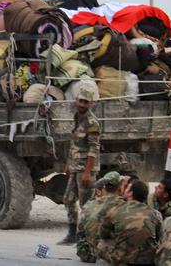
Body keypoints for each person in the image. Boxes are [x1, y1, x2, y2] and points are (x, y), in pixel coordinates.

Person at [58, 80, 101, 245]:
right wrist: (69, 163)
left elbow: (94, 149)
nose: (82, 104)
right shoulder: (77, 117)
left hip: (86, 170)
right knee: (68, 199)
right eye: (80, 100)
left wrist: (88, 172)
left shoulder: (92, 123)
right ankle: (72, 233)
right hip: (76, 167)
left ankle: (86, 237)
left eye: (86, 102)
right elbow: (74, 143)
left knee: (86, 205)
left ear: (91, 103)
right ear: (76, 100)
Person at [97, 179, 163, 265]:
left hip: (123, 260)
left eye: (127, 188)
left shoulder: (116, 210)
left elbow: (103, 234)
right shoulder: (155, 214)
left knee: (102, 243)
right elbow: (159, 236)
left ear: (130, 193)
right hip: (148, 261)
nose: (124, 190)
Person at [76, 171, 126, 263]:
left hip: (88, 255)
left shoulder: (89, 205)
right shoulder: (124, 205)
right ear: (119, 187)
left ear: (104, 187)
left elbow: (80, 232)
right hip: (110, 256)